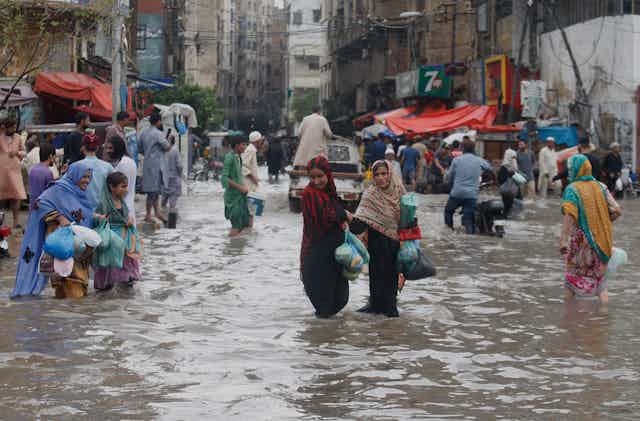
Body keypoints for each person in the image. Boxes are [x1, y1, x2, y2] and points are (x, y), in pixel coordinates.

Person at [12, 162, 99, 298]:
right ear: (74, 175)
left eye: (89, 177)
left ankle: (63, 315)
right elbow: (40, 203)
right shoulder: (59, 188)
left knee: (74, 288)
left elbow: (82, 214)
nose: (87, 180)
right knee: (69, 285)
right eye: (84, 176)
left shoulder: (80, 194)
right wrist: (60, 218)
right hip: (62, 245)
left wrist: (97, 217)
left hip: (78, 246)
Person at [560, 154, 621, 304]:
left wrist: (563, 240)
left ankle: (567, 318)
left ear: (576, 169)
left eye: (570, 168)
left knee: (571, 281)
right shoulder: (602, 186)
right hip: (601, 241)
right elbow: (617, 210)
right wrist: (603, 223)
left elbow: (570, 215)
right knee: (600, 283)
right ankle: (604, 316)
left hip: (580, 243)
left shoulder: (572, 189)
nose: (569, 171)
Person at [351, 160, 406, 317]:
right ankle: (375, 306)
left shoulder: (399, 191)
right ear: (373, 176)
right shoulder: (370, 194)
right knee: (375, 275)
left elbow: (408, 216)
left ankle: (390, 310)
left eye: (384, 173)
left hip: (395, 243)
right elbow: (360, 220)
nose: (380, 177)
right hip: (376, 243)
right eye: (377, 174)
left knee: (391, 277)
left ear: (390, 174)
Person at [300, 156, 350, 318]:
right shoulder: (309, 194)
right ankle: (320, 341)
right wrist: (345, 215)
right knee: (324, 306)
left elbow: (337, 215)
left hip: (334, 256)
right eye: (312, 177)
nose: (316, 181)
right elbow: (326, 216)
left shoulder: (330, 193)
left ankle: (329, 340)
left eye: (320, 176)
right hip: (317, 255)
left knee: (341, 299)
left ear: (328, 174)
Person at [94, 172, 141, 291]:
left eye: (126, 186)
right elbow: (93, 216)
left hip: (124, 242)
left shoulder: (122, 201)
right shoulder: (103, 203)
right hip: (112, 242)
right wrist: (100, 217)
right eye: (123, 186)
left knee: (127, 278)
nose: (126, 189)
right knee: (110, 273)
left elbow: (126, 215)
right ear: (112, 187)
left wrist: (129, 219)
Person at [444, 138, 492, 234]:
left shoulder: (456, 160)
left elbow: (449, 177)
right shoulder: (479, 160)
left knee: (448, 211)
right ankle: (469, 234)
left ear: (462, 149)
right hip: (471, 195)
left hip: (457, 193)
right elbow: (489, 168)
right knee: (468, 219)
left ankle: (449, 231)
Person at [138, 113, 170, 224]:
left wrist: (148, 153)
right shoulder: (158, 133)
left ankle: (157, 212)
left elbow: (140, 148)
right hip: (156, 165)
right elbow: (167, 146)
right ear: (158, 122)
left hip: (147, 164)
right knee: (152, 191)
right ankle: (148, 214)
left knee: (154, 190)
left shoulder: (143, 133)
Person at [0, 118, 27, 229]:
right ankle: (2, 222)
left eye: (15, 127)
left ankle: (16, 222)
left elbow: (24, 152)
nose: (14, 129)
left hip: (15, 171)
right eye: (12, 127)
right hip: (2, 171)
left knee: (17, 196)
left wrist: (17, 152)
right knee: (2, 197)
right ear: (5, 127)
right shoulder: (0, 138)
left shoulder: (18, 137)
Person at [104, 136, 138, 225]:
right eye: (107, 148)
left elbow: (121, 189)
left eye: (110, 148)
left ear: (118, 147)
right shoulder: (129, 161)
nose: (108, 151)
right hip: (128, 205)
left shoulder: (124, 164)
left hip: (123, 208)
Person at [222, 136, 251, 236]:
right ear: (237, 145)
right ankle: (230, 248)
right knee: (236, 225)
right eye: (243, 144)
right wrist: (240, 188)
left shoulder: (238, 157)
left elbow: (238, 176)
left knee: (243, 224)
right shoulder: (229, 157)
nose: (245, 147)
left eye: (246, 144)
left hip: (240, 196)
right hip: (233, 198)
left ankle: (236, 249)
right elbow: (225, 178)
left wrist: (245, 188)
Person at [76, 132, 113, 208]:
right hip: (103, 210)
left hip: (83, 210)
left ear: (83, 147)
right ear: (97, 148)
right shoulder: (107, 167)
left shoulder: (75, 166)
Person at [28, 143, 56, 211]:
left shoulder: (33, 169)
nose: (55, 159)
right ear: (50, 156)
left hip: (32, 209)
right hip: (43, 209)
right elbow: (51, 193)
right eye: (55, 156)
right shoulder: (48, 172)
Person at [161, 136, 183, 210]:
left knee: (164, 196)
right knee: (173, 197)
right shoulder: (175, 150)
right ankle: (171, 214)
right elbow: (179, 165)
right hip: (174, 177)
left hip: (165, 177)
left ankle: (163, 213)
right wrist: (180, 174)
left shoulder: (163, 150)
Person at [497, 148, 519, 217]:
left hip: (509, 191)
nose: (514, 159)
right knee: (507, 204)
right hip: (507, 191)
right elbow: (501, 179)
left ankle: (506, 215)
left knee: (509, 204)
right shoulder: (504, 168)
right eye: (513, 157)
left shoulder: (512, 168)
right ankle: (505, 216)